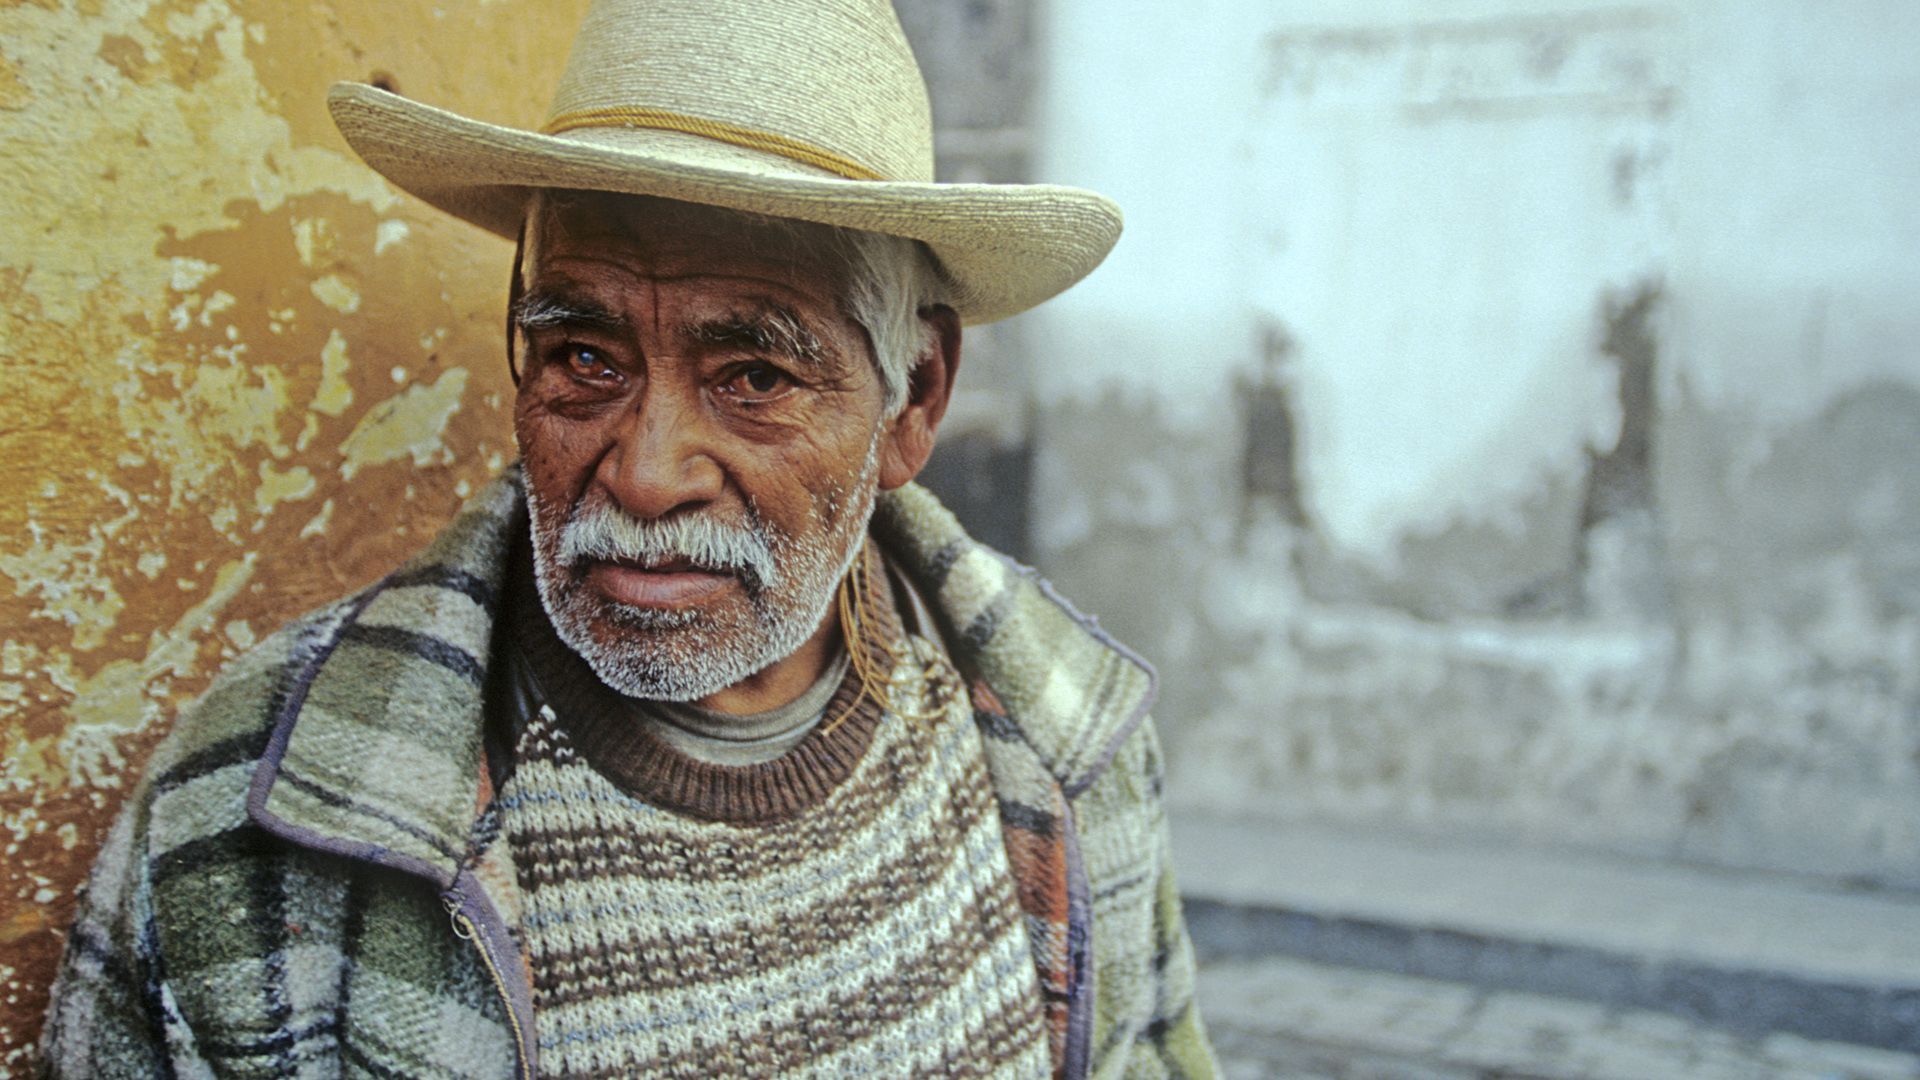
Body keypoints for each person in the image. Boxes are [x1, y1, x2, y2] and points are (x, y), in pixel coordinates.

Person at [38, 0, 1217, 1076]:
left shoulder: (1069, 745)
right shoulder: (248, 819)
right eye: (585, 358)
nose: (646, 474)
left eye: (754, 374)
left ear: (912, 398)